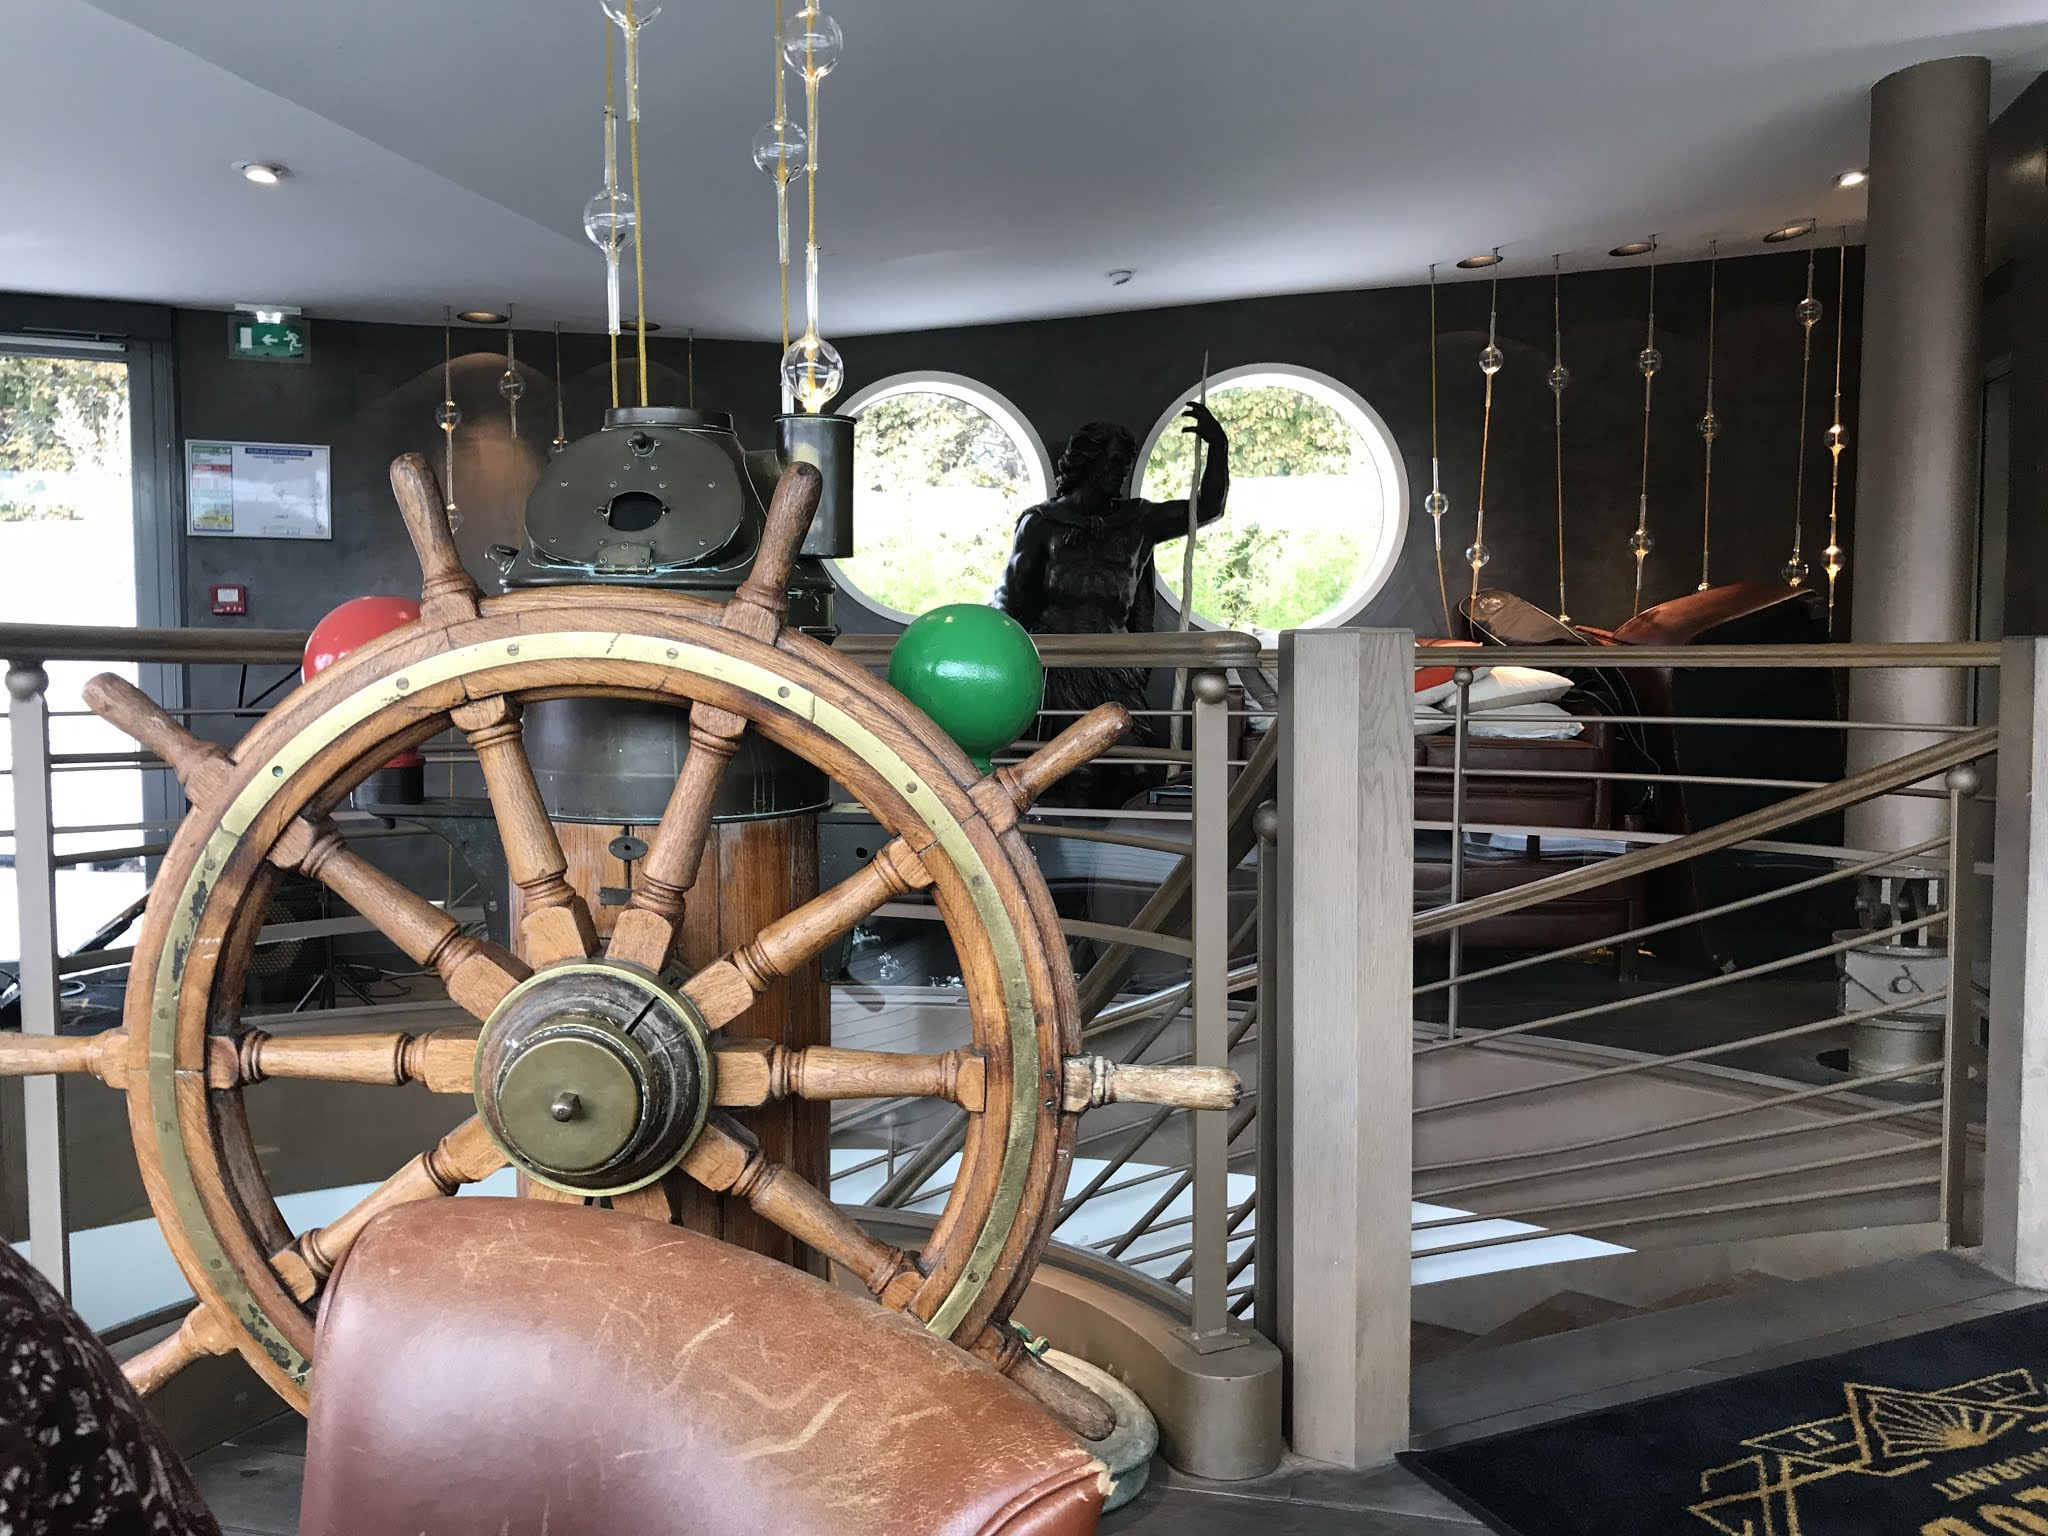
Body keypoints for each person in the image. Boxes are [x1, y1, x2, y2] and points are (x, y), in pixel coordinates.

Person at [992, 403, 1229, 804]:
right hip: (1056, 672)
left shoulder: (1139, 522)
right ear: (1089, 463)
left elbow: (1207, 508)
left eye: (1125, 464)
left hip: (1114, 669)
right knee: (1070, 774)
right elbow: (1009, 603)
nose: (1121, 473)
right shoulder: (1042, 525)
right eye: (1115, 463)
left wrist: (1218, 447)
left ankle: (1113, 841)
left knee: (1136, 767)